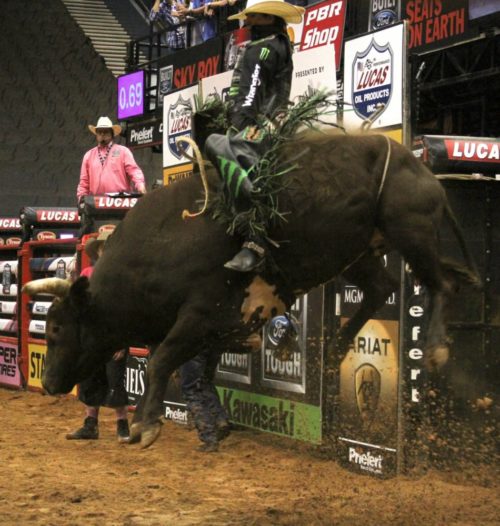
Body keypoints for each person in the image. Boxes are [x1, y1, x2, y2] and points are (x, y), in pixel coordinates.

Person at [204, 0, 304, 272]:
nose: (246, 23)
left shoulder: (263, 49)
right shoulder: (275, 44)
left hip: (259, 125)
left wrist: (243, 125)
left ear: (268, 18)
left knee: (214, 143)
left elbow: (251, 91)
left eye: (253, 18)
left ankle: (254, 232)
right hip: (267, 121)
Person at [66, 230, 131, 443]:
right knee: (90, 380)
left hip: (113, 338)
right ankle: (90, 424)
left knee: (115, 381)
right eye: (103, 247)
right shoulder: (87, 273)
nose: (105, 251)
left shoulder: (121, 276)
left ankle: (122, 425)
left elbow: (127, 311)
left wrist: (121, 341)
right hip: (93, 338)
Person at [77, 116, 146, 201]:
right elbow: (84, 183)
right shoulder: (88, 156)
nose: (102, 134)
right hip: (95, 203)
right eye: (99, 132)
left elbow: (134, 171)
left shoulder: (123, 151)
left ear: (112, 133)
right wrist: (81, 199)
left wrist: (140, 185)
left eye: (105, 131)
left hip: (120, 201)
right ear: (96, 134)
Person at [179, 349, 230, 452]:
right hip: (212, 344)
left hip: (193, 345)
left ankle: (209, 437)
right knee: (205, 382)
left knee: (191, 389)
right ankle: (220, 420)